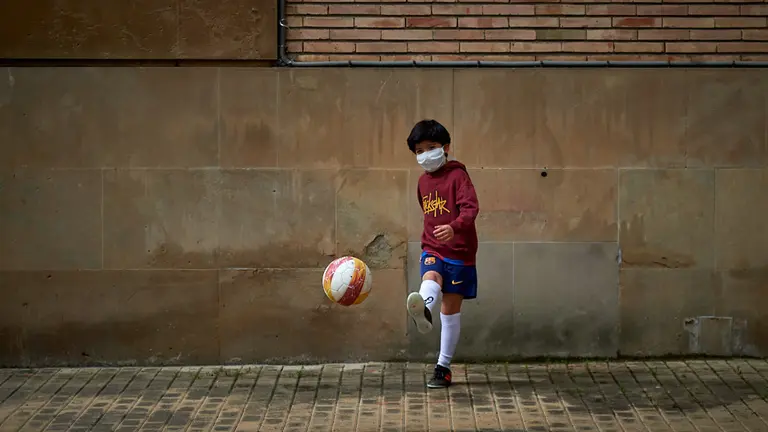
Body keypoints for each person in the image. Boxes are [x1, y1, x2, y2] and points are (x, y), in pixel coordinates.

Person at [405, 119, 479, 389]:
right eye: (419, 150)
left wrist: (454, 227)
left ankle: (443, 367)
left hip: (460, 253)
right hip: (433, 247)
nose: (426, 154)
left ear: (446, 147)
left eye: (432, 147)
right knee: (431, 274)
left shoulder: (459, 176)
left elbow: (471, 209)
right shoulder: (422, 182)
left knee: (450, 309)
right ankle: (423, 307)